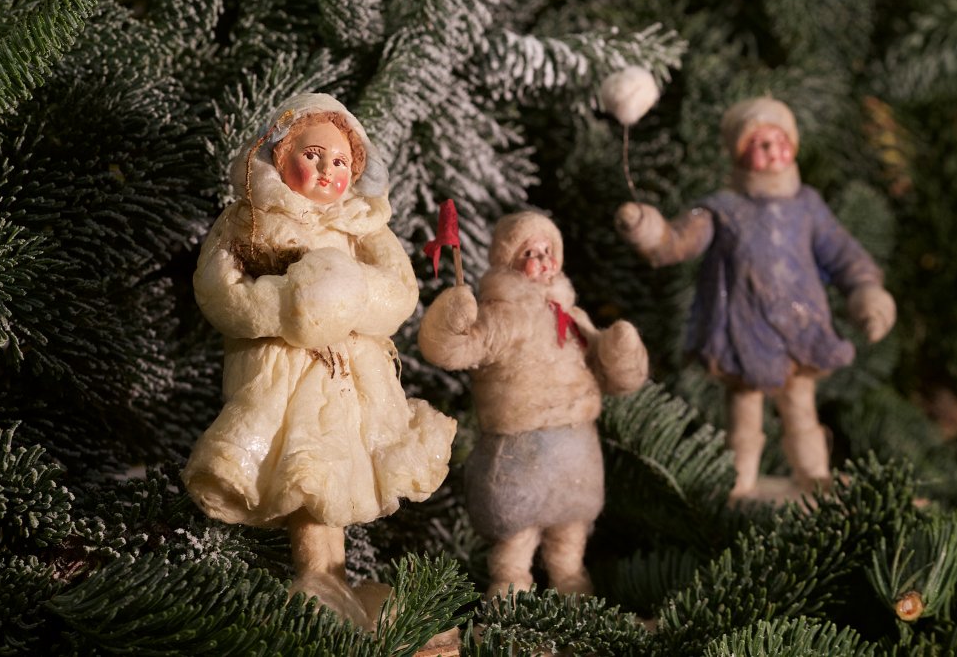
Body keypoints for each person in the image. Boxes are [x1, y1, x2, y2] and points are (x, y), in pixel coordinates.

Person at [183, 93, 455, 628]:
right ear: (280, 155)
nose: (328, 169)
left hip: (351, 372)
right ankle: (317, 577)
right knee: (306, 463)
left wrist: (348, 298)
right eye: (312, 155)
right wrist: (290, 306)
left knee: (339, 464)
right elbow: (219, 291)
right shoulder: (250, 219)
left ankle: (334, 578)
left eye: (340, 161)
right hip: (283, 371)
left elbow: (400, 292)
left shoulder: (362, 224)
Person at [616, 97, 895, 501]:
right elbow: (678, 241)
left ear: (793, 145)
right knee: (744, 414)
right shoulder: (723, 209)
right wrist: (649, 230)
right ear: (739, 152)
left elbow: (843, 254)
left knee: (801, 408)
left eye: (778, 140)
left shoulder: (807, 206)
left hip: (800, 328)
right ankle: (739, 484)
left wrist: (866, 292)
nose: (771, 150)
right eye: (759, 143)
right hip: (744, 331)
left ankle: (813, 476)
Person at [419, 211, 648, 596]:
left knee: (570, 529)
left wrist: (620, 351)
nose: (542, 259)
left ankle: (571, 582)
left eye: (547, 251)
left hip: (576, 448)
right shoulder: (502, 317)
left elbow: (612, 375)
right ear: (508, 261)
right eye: (530, 252)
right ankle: (510, 586)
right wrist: (453, 316)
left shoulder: (572, 317)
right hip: (520, 448)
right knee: (517, 532)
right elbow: (455, 349)